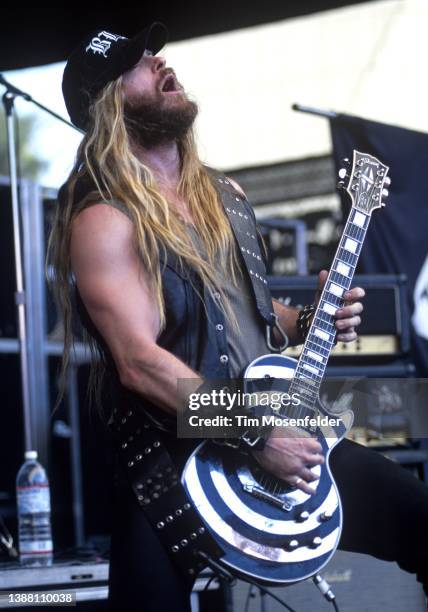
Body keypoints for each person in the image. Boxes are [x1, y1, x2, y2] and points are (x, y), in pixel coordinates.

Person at [47, 21, 428, 612]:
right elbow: (140, 363)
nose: (159, 63)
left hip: (279, 427)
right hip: (173, 462)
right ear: (107, 102)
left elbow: (245, 308)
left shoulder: (224, 196)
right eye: (137, 64)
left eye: (155, 52)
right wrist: (257, 430)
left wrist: (307, 321)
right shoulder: (104, 219)